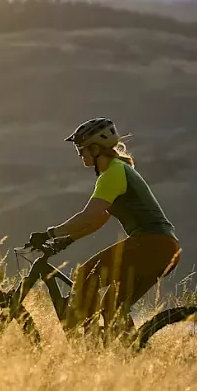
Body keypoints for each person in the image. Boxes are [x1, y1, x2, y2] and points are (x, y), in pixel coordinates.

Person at [29, 118, 180, 336]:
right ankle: (124, 349)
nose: (79, 154)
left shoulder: (113, 174)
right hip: (161, 247)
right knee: (112, 305)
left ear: (95, 149)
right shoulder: (115, 171)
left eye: (81, 148)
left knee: (84, 275)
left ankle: (90, 341)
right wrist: (66, 240)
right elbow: (99, 219)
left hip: (151, 244)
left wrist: (50, 233)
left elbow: (88, 216)